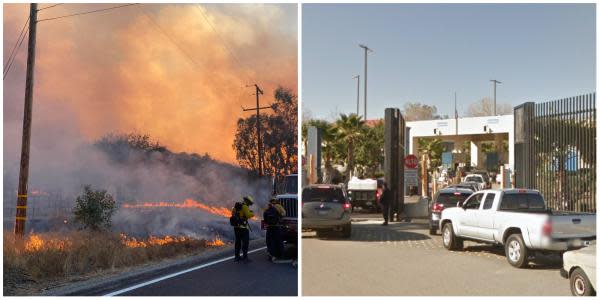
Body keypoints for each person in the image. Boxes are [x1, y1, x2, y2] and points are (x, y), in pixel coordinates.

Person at [231, 196, 254, 262]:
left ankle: (237, 257)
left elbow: (232, 214)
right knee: (245, 243)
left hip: (236, 227)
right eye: (249, 203)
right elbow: (247, 215)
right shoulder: (245, 207)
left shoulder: (235, 206)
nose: (249, 205)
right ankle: (245, 257)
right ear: (247, 201)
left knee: (237, 242)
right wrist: (252, 213)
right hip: (243, 228)